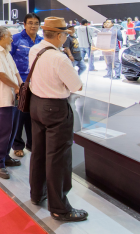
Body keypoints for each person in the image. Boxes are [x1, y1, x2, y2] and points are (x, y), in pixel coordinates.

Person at [29, 17, 88, 222]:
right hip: (55, 108)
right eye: (65, 35)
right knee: (58, 158)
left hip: (36, 105)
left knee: (39, 152)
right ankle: (60, 208)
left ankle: (37, 194)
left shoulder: (35, 50)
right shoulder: (59, 58)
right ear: (59, 35)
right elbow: (76, 85)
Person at [0, 26, 23, 179]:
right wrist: (16, 87)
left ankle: (5, 157)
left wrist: (21, 86)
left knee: (12, 130)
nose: (12, 39)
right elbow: (0, 74)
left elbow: (15, 71)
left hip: (12, 98)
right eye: (10, 36)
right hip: (1, 99)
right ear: (1, 37)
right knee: (2, 132)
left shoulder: (6, 53)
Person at [9, 13, 43, 158]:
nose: (33, 26)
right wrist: (14, 83)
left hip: (38, 83)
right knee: (20, 115)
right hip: (20, 82)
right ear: (24, 24)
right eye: (30, 23)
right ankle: (17, 145)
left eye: (36, 23)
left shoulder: (42, 41)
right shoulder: (15, 39)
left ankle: (32, 144)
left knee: (34, 115)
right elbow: (8, 60)